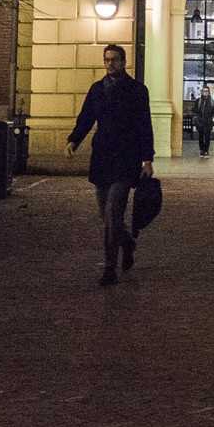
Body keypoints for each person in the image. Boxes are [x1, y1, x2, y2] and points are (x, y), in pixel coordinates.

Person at [67, 44, 154, 286]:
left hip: (126, 159)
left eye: (114, 60)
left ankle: (109, 268)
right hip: (103, 158)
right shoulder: (97, 89)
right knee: (105, 214)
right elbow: (86, 117)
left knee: (113, 211)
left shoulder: (137, 90)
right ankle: (127, 242)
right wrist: (74, 139)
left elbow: (144, 125)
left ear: (123, 61)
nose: (110, 64)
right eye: (106, 60)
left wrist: (148, 158)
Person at [193, 88, 214, 157]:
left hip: (208, 122)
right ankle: (202, 150)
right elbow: (195, 110)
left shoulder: (212, 101)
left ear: (209, 92)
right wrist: (196, 114)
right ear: (201, 92)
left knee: (207, 137)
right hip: (200, 122)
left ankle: (206, 151)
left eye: (206, 91)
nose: (205, 92)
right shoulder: (198, 101)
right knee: (201, 136)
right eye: (204, 91)